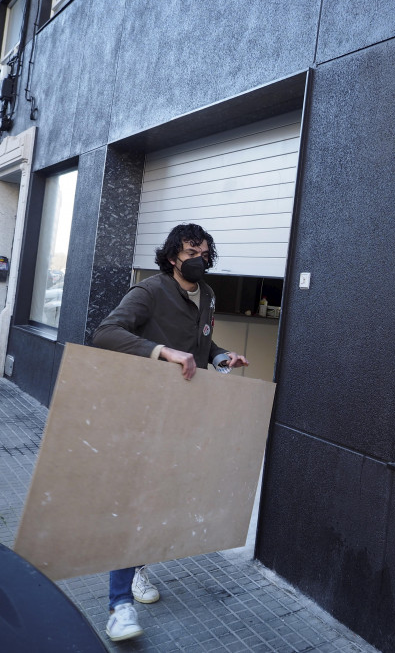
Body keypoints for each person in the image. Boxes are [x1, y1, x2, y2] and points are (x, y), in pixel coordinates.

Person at [92, 223, 249, 641]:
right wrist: (162, 352)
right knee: (135, 500)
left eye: (204, 250)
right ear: (172, 255)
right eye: (191, 250)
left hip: (186, 413)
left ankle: (138, 565)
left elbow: (201, 344)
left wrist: (221, 357)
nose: (199, 257)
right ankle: (119, 606)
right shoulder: (150, 291)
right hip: (145, 411)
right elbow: (106, 332)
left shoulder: (209, 295)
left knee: (163, 497)